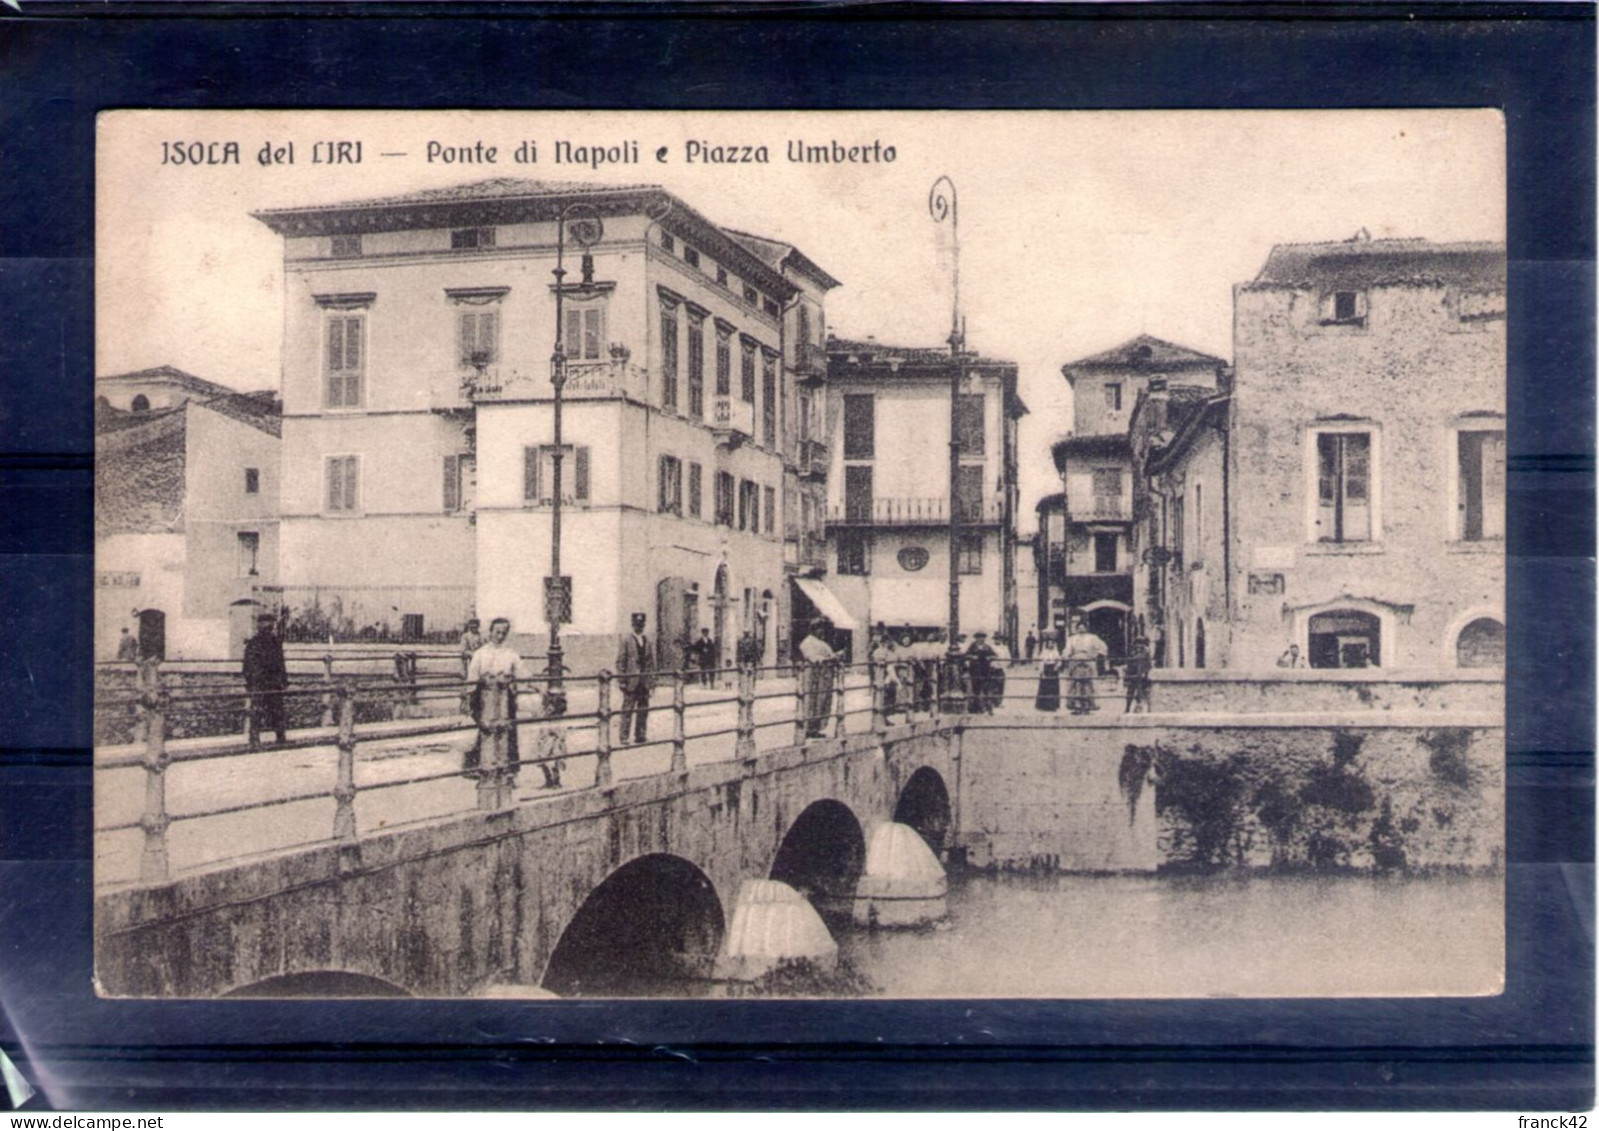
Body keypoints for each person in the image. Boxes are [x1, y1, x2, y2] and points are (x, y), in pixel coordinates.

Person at [464, 617, 533, 780]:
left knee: (507, 732)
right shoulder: (480, 654)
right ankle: (483, 768)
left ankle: (506, 769)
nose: (500, 636)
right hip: (484, 696)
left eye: (504, 633)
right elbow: (472, 678)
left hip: (504, 698)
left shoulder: (511, 654)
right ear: (490, 632)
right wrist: (469, 697)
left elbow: (523, 674)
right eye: (497, 632)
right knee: (486, 729)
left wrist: (529, 684)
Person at [243, 612, 289, 747]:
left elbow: (280, 663)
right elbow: (248, 665)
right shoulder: (255, 643)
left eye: (269, 624)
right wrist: (251, 680)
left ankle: (279, 737)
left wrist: (283, 679)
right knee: (260, 710)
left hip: (271, 682)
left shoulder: (274, 642)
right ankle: (256, 738)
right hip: (262, 682)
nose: (268, 627)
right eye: (265, 624)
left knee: (276, 710)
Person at [615, 612, 656, 746]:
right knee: (627, 709)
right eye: (637, 625)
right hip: (631, 680)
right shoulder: (626, 640)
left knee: (643, 709)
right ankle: (624, 736)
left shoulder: (648, 641)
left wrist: (652, 681)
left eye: (641, 624)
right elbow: (621, 661)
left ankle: (640, 735)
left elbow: (651, 662)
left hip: (644, 681)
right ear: (633, 625)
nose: (639, 627)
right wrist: (622, 680)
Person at [1064, 617, 1109, 716]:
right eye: (1079, 627)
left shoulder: (1092, 638)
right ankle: (1076, 706)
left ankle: (1089, 705)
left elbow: (1103, 647)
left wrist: (1095, 655)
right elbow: (1067, 650)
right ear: (1076, 628)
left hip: (1088, 661)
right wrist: (1068, 656)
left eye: (1083, 627)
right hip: (1075, 662)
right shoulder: (1072, 638)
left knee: (1089, 683)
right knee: (1075, 683)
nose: (1081, 629)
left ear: (1086, 628)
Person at [798, 627, 836, 737]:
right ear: (814, 630)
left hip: (822, 675)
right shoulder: (807, 642)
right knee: (810, 700)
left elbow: (829, 653)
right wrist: (825, 658)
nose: (821, 632)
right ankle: (808, 728)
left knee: (821, 701)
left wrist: (833, 657)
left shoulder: (821, 643)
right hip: (812, 674)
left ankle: (815, 728)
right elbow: (812, 657)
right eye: (820, 629)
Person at [964, 631, 1001, 714]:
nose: (981, 639)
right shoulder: (972, 646)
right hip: (975, 670)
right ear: (976, 638)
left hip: (985, 670)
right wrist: (972, 657)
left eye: (982, 637)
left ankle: (988, 708)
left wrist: (989, 657)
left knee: (986, 689)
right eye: (979, 637)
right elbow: (966, 655)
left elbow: (995, 655)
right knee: (975, 689)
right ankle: (976, 708)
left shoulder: (987, 647)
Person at [870, 630, 902, 719]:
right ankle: (880, 717)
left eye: (888, 642)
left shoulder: (891, 651)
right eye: (884, 642)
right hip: (882, 674)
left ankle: (886, 717)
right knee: (882, 695)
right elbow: (878, 662)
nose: (886, 644)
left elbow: (895, 660)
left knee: (890, 696)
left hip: (891, 674)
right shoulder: (878, 651)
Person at [1123, 635, 1153, 714]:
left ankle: (1145, 708)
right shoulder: (1133, 653)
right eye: (1137, 643)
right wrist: (1127, 676)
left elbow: (1148, 664)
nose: (1138, 646)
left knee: (1143, 692)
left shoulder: (1146, 652)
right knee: (1130, 692)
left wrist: (1145, 673)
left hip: (1142, 675)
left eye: (1141, 643)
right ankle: (1127, 708)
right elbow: (1129, 664)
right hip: (1133, 674)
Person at [1034, 630, 1062, 712]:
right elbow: (1041, 662)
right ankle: (1043, 705)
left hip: (1053, 670)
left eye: (1052, 643)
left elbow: (1059, 661)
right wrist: (1041, 671)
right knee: (1045, 687)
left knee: (1053, 688)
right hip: (1046, 670)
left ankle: (1053, 705)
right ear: (1047, 644)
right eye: (1049, 643)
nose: (1051, 645)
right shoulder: (1044, 652)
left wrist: (1057, 666)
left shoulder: (1056, 652)